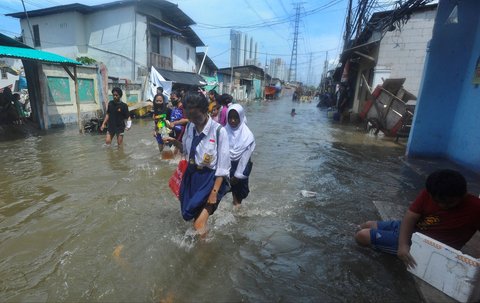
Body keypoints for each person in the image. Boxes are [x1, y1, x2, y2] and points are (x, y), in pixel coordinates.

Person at [355, 169, 480, 269]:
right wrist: (402, 245)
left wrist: (475, 266)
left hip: (425, 245)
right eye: (437, 201)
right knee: (367, 224)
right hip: (411, 229)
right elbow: (410, 216)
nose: (442, 205)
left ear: (463, 195)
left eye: (449, 203)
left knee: (362, 236)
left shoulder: (476, 207)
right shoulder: (429, 193)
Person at [164, 92, 230, 235]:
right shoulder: (190, 127)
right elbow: (186, 151)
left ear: (205, 111)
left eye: (196, 117)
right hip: (192, 177)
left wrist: (214, 193)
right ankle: (200, 247)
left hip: (210, 181)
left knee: (198, 225)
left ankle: (204, 255)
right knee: (192, 217)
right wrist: (174, 142)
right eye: (190, 117)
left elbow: (223, 167)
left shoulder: (219, 132)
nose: (193, 121)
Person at [225, 104, 255, 207]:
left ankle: (237, 206)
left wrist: (237, 176)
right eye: (230, 117)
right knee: (228, 190)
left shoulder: (248, 136)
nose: (232, 120)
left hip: (243, 166)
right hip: (228, 165)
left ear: (241, 118)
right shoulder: (223, 132)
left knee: (240, 193)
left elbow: (245, 158)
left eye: (236, 118)